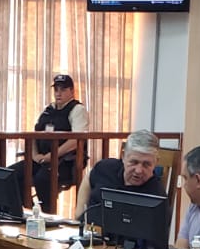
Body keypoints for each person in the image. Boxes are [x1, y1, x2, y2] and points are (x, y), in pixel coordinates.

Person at [10, 74, 89, 212]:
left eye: (63, 90)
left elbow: (76, 140)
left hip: (66, 162)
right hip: (42, 159)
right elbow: (34, 135)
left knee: (42, 179)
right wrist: (35, 155)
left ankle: (48, 215)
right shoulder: (48, 110)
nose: (58, 93)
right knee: (11, 174)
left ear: (72, 91)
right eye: (56, 89)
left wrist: (51, 156)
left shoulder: (77, 110)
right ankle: (25, 211)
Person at [79, 129, 165, 217]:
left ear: (156, 163)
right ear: (123, 156)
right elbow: (88, 178)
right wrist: (79, 215)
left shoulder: (157, 196)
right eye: (134, 162)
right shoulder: (105, 168)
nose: (138, 170)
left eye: (146, 164)